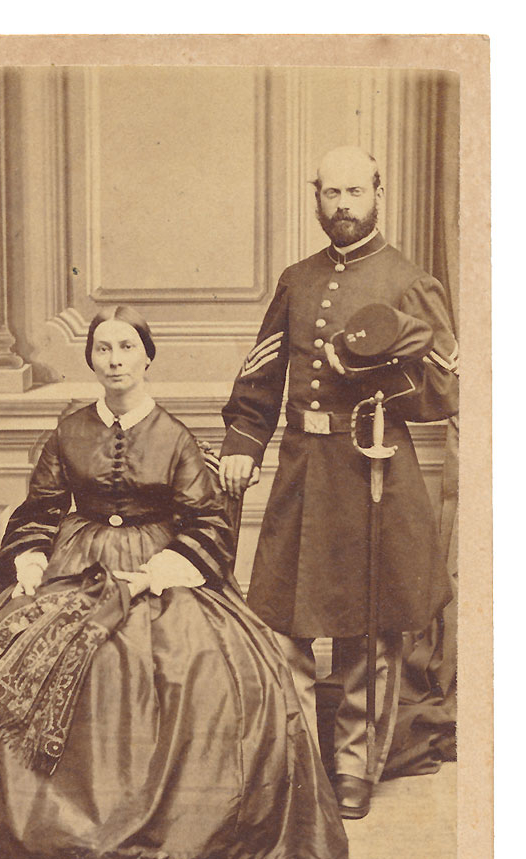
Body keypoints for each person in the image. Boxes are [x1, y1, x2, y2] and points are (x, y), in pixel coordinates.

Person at [0, 304, 348, 859]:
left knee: (186, 664)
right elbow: (42, 509)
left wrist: (164, 568)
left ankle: (168, 827)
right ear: (91, 360)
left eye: (127, 348)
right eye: (104, 349)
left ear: (147, 357)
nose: (115, 360)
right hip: (74, 560)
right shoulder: (70, 429)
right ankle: (42, 824)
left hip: (157, 563)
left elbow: (207, 522)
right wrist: (29, 555)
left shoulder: (175, 436)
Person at [219, 146, 459, 820]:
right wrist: (242, 442)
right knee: (283, 620)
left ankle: (354, 766)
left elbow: (445, 391)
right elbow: (261, 373)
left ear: (378, 191)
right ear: (315, 198)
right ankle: (296, 759)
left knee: (367, 628)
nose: (343, 206)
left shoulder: (410, 280)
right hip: (302, 467)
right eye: (330, 194)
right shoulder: (296, 279)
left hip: (372, 469)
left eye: (355, 191)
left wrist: (395, 348)